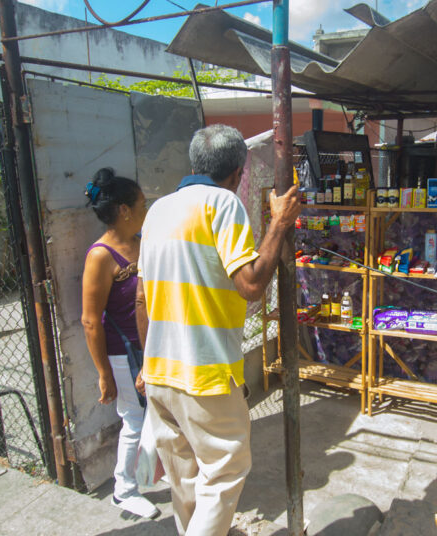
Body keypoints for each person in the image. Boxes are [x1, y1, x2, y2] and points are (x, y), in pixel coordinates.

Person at [136, 124, 300, 535]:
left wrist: (145, 362)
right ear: (238, 173)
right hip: (204, 376)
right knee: (227, 470)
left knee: (186, 478)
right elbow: (250, 285)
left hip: (158, 373)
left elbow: (141, 299)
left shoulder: (159, 210)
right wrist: (278, 223)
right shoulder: (223, 204)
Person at [80, 168, 159, 519]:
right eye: (142, 204)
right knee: (135, 418)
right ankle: (123, 490)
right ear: (124, 210)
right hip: (122, 351)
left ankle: (150, 473)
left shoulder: (141, 242)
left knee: (158, 413)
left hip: (150, 344)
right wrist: (103, 373)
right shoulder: (100, 256)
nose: (146, 208)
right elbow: (89, 320)